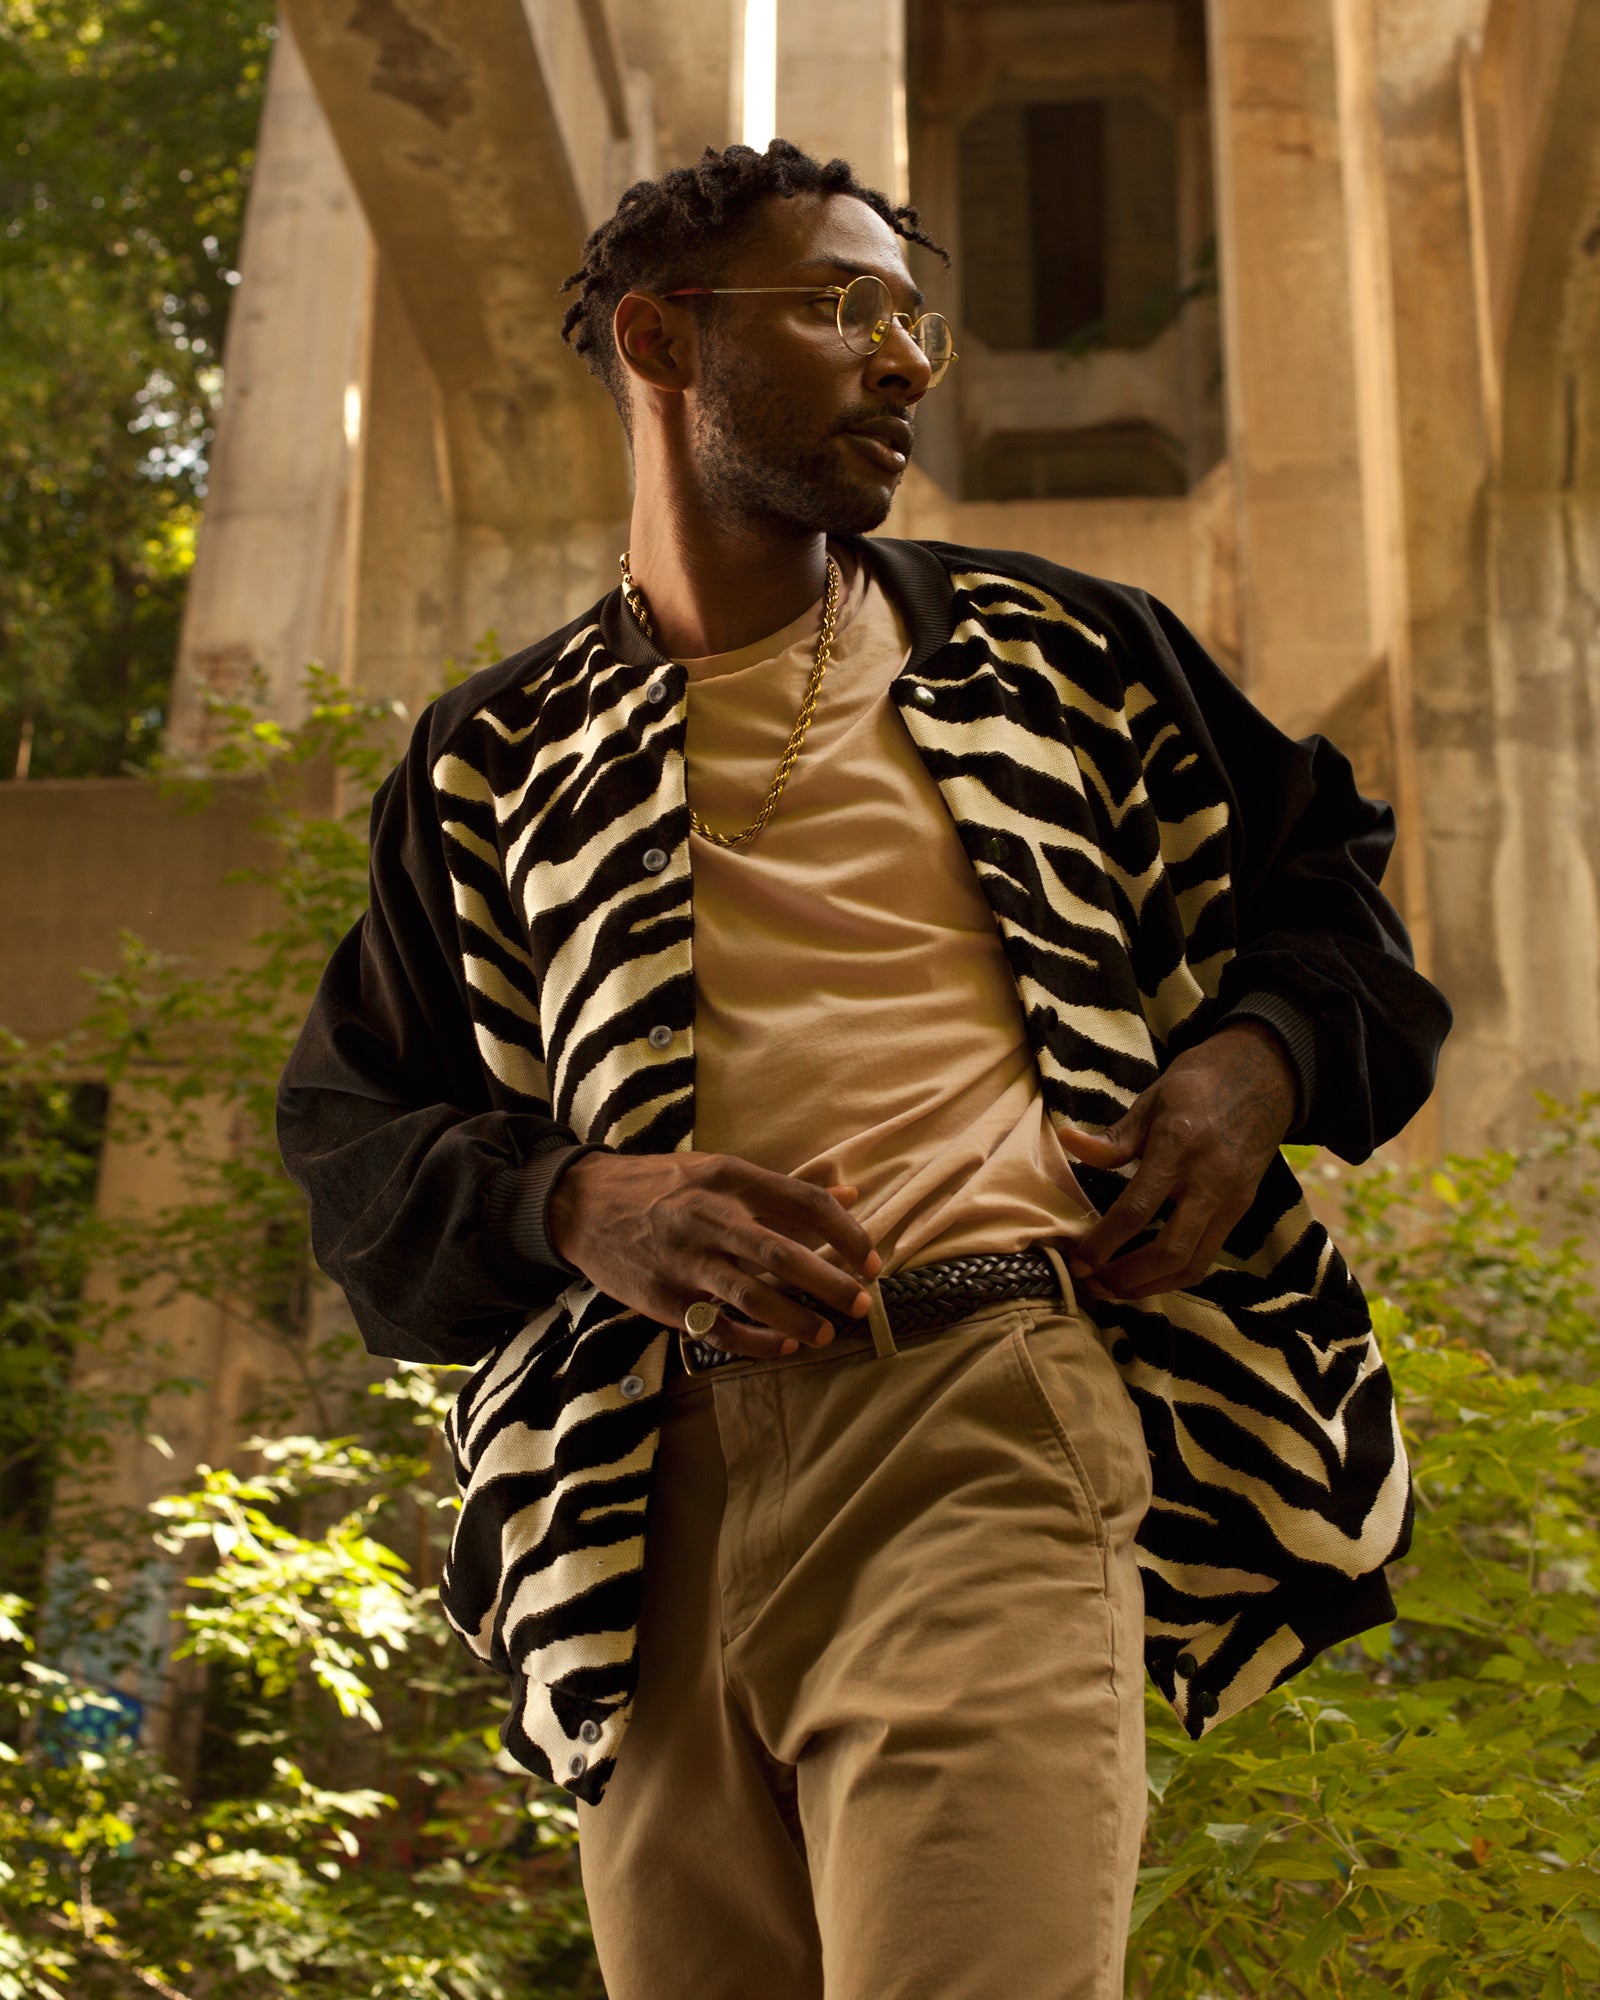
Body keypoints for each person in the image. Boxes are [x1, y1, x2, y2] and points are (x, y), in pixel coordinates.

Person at [278, 141, 1451, 1999]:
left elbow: (1341, 905)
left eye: (917, 321)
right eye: (844, 308)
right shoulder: (492, 761)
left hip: (976, 1413)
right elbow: (351, 1139)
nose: (905, 359)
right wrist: (574, 1200)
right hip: (627, 1506)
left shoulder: (1059, 654)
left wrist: (1253, 1066)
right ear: (662, 341)